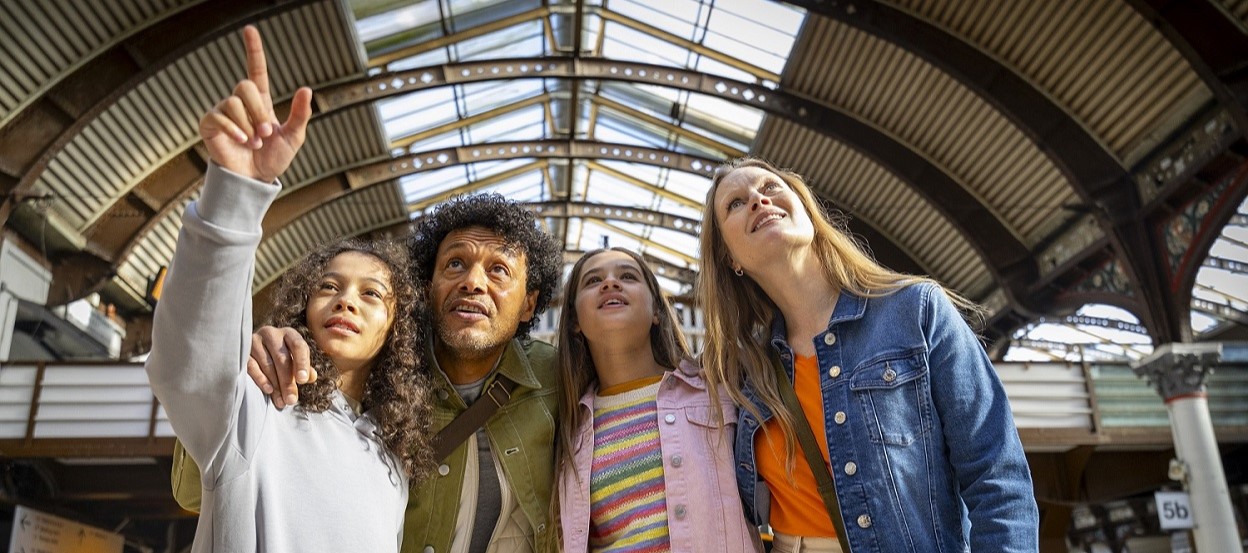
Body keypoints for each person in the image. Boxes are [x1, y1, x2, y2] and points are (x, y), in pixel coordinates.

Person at [147, 25, 432, 552]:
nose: (347, 298)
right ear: (304, 304)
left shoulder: (393, 460)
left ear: (398, 330)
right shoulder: (254, 410)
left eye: (372, 294)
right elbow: (188, 361)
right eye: (329, 285)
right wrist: (236, 190)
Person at [171, 194, 564, 552]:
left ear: (530, 304)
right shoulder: (378, 391)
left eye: (498, 270)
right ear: (428, 290)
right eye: (455, 263)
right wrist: (256, 359)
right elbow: (196, 490)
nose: (473, 282)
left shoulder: (554, 377)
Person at [697, 157, 1038, 552]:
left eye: (771, 187)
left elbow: (996, 476)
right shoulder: (741, 374)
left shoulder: (916, 311)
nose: (758, 199)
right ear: (730, 259)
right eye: (735, 203)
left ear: (807, 211)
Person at [552, 248, 760, 552]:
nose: (610, 283)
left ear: (656, 312)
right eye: (593, 280)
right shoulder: (566, 430)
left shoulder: (720, 385)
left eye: (627, 276)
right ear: (575, 321)